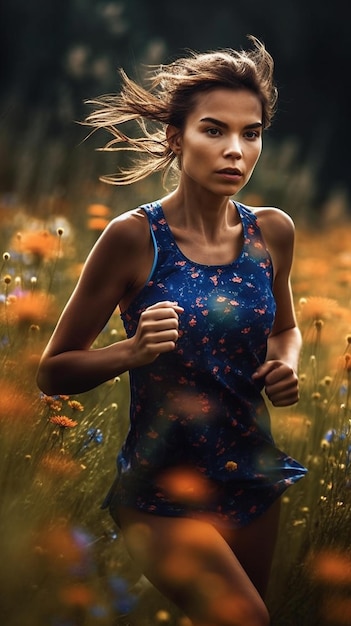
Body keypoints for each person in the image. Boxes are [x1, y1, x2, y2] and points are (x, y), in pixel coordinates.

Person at [37, 36, 307, 626]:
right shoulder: (134, 239)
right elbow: (52, 371)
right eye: (214, 130)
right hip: (161, 492)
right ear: (174, 138)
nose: (236, 150)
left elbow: (286, 329)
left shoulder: (272, 233)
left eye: (252, 133)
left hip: (252, 478)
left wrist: (287, 362)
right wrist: (130, 351)